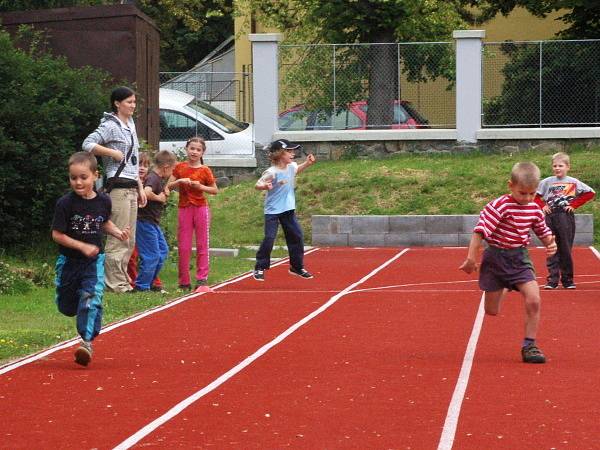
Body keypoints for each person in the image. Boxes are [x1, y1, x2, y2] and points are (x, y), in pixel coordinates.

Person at [459, 162, 557, 364]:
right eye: (522, 193)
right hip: (495, 258)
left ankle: (529, 346)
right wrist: (471, 258)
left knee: (534, 299)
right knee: (491, 311)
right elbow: (480, 231)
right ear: (510, 185)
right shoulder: (499, 206)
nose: (527, 198)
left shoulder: (534, 208)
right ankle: (506, 286)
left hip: (519, 258)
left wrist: (550, 243)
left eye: (532, 194)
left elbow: (542, 230)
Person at [51, 152, 130, 366]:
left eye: (83, 177)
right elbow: (57, 235)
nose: (78, 182)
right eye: (73, 177)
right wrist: (82, 246)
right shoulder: (65, 204)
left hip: (93, 262)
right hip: (69, 262)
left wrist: (117, 232)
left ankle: (86, 342)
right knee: (67, 307)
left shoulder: (103, 200)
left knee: (90, 296)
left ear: (95, 175)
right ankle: (71, 305)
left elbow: (102, 222)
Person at [82, 86, 147, 293]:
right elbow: (88, 144)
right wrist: (112, 152)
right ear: (117, 103)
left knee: (129, 238)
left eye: (134, 102)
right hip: (117, 186)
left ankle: (123, 279)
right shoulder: (110, 125)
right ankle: (114, 283)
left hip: (131, 186)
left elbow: (134, 161)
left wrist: (140, 187)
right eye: (129, 102)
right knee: (118, 236)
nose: (132, 106)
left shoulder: (131, 124)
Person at [253, 139, 316, 282]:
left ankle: (296, 267)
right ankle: (260, 267)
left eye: (293, 151)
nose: (293, 153)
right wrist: (264, 186)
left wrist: (307, 164)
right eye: (289, 151)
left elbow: (296, 170)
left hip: (288, 209)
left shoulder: (292, 166)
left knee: (297, 236)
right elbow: (258, 184)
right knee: (269, 238)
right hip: (273, 211)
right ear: (279, 154)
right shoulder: (272, 171)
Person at [535, 152, 595, 290]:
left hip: (565, 217)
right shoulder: (547, 182)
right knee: (552, 247)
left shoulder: (573, 182)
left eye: (560, 166)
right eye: (555, 166)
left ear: (568, 167)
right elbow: (534, 195)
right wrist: (542, 205)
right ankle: (552, 280)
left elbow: (590, 193)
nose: (557, 168)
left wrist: (573, 205)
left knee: (565, 248)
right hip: (550, 217)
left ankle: (568, 280)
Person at [167, 137, 218, 293]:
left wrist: (200, 186)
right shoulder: (180, 167)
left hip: (201, 208)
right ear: (186, 149)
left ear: (202, 152)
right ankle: (184, 282)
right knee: (184, 246)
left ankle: (202, 279)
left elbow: (214, 190)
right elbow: (168, 185)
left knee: (202, 244)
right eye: (192, 148)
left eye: (198, 149)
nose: (194, 152)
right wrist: (179, 182)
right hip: (184, 208)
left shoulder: (205, 170)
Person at [134, 150, 177, 292]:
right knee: (152, 255)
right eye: (172, 169)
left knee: (163, 251)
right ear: (166, 167)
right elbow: (146, 192)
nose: (171, 172)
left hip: (152, 222)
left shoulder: (157, 179)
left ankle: (150, 281)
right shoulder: (153, 178)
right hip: (144, 222)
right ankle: (142, 286)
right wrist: (159, 198)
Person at [127, 152, 165, 292]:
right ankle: (136, 283)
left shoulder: (150, 181)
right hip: (134, 224)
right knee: (133, 256)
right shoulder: (130, 183)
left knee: (157, 253)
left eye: (145, 165)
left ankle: (152, 281)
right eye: (139, 165)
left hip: (147, 224)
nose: (142, 168)